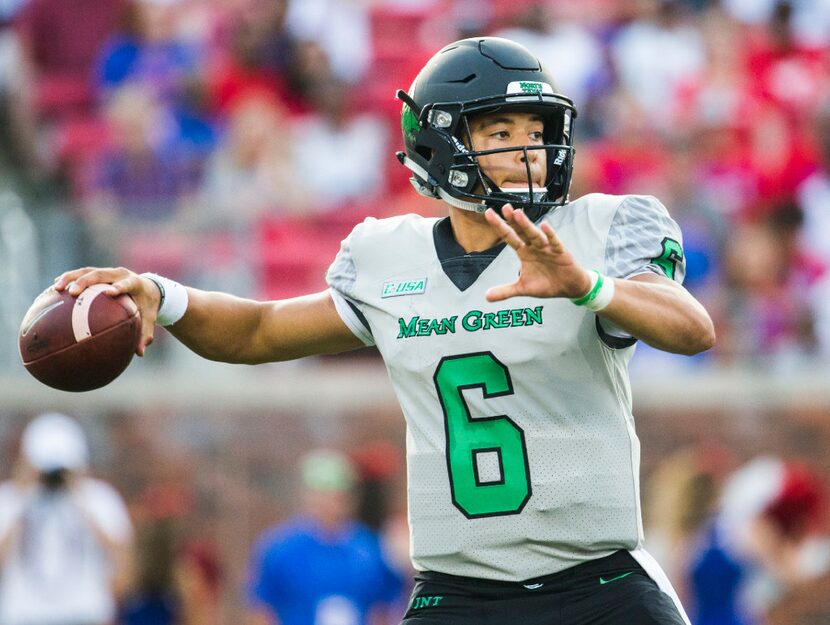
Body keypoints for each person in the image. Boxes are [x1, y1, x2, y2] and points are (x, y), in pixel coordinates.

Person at [55, 37, 715, 625]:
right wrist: (163, 294)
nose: (529, 148)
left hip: (595, 587)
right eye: (500, 129)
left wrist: (589, 287)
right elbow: (257, 331)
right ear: (444, 142)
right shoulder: (387, 256)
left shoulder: (601, 228)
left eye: (536, 129)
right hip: (458, 593)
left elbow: (691, 327)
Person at [0, 412, 133, 625]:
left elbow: (122, 559)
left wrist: (80, 497)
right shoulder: (9, 499)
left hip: (85, 616)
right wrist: (22, 497)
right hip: (24, 617)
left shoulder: (99, 497)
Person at [246, 449, 403, 625]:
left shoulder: (369, 549)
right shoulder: (280, 549)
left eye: (337, 496)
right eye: (322, 495)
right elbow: (261, 607)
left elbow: (383, 606)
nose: (329, 503)